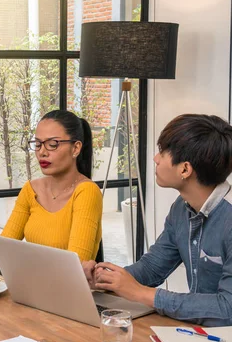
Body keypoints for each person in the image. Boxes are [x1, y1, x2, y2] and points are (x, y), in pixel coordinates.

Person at [83, 114, 232, 326]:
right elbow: (153, 268)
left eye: (162, 152)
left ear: (185, 169)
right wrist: (104, 279)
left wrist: (143, 294)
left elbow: (227, 308)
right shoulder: (181, 208)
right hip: (203, 335)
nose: (156, 158)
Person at [0, 110, 103, 269]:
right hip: (33, 285)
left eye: (52, 144)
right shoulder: (31, 190)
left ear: (76, 148)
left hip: (68, 290)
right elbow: (1, 249)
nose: (42, 152)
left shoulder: (86, 192)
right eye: (37, 144)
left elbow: (76, 266)